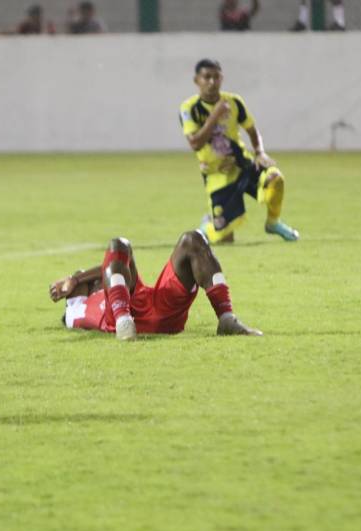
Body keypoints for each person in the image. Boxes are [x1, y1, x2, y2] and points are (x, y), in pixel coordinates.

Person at [49, 231, 262, 340]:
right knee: (117, 244)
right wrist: (74, 279)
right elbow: (107, 267)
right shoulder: (75, 310)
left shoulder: (108, 283)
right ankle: (125, 326)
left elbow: (111, 264)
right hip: (123, 316)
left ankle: (226, 318)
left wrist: (76, 278)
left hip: (156, 306)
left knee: (192, 239)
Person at [179, 59, 299, 245]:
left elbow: (252, 129)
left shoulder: (234, 102)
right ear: (197, 80)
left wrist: (260, 152)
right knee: (225, 239)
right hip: (217, 175)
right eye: (206, 77)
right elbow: (195, 143)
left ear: (222, 78)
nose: (212, 81)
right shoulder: (189, 108)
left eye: (216, 77)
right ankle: (209, 224)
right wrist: (215, 115)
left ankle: (273, 222)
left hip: (243, 164)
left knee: (275, 178)